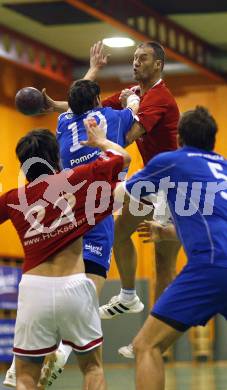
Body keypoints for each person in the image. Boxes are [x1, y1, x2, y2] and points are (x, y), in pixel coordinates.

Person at [4, 79, 140, 388]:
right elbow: (124, 156)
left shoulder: (14, 198)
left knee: (25, 375)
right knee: (93, 367)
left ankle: (25, 364)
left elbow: (80, 99)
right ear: (56, 159)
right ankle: (64, 348)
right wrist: (108, 135)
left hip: (33, 287)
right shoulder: (75, 183)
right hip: (76, 281)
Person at [41, 40, 181, 318]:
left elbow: (127, 138)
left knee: (164, 265)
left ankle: (159, 336)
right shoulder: (131, 93)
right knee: (118, 234)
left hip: (171, 185)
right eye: (134, 58)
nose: (135, 62)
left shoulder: (159, 98)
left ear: (158, 65)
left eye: (142, 58)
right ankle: (129, 297)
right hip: (149, 181)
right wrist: (54, 106)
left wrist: (93, 146)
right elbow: (86, 108)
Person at [118, 106, 227, 390]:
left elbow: (125, 192)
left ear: (179, 138)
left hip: (211, 265)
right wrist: (165, 230)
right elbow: (216, 220)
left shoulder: (172, 161)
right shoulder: (223, 168)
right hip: (219, 261)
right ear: (212, 139)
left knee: (146, 346)